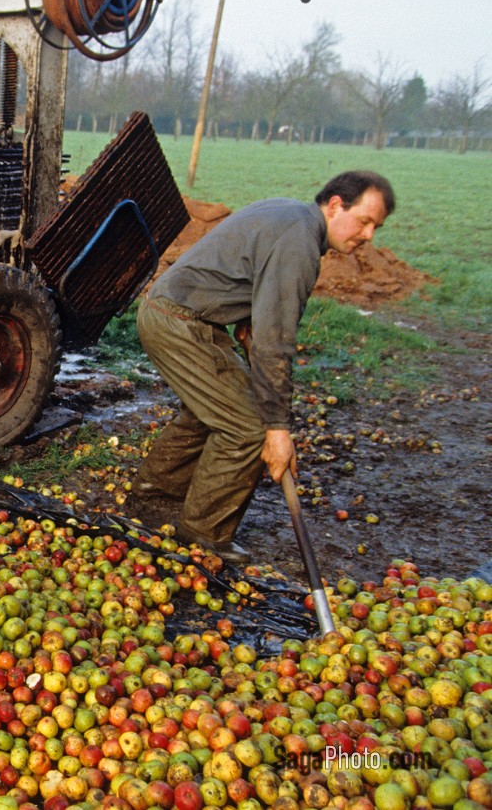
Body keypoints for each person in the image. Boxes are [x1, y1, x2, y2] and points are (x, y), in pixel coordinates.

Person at [135, 171, 393, 564]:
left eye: (377, 226)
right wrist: (277, 429)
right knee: (248, 427)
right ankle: (203, 536)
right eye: (365, 221)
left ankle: (152, 502)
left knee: (215, 411)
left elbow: (253, 309)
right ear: (337, 205)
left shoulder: (292, 216)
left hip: (179, 313)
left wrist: (250, 334)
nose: (369, 235)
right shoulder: (300, 243)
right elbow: (276, 341)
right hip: (178, 321)